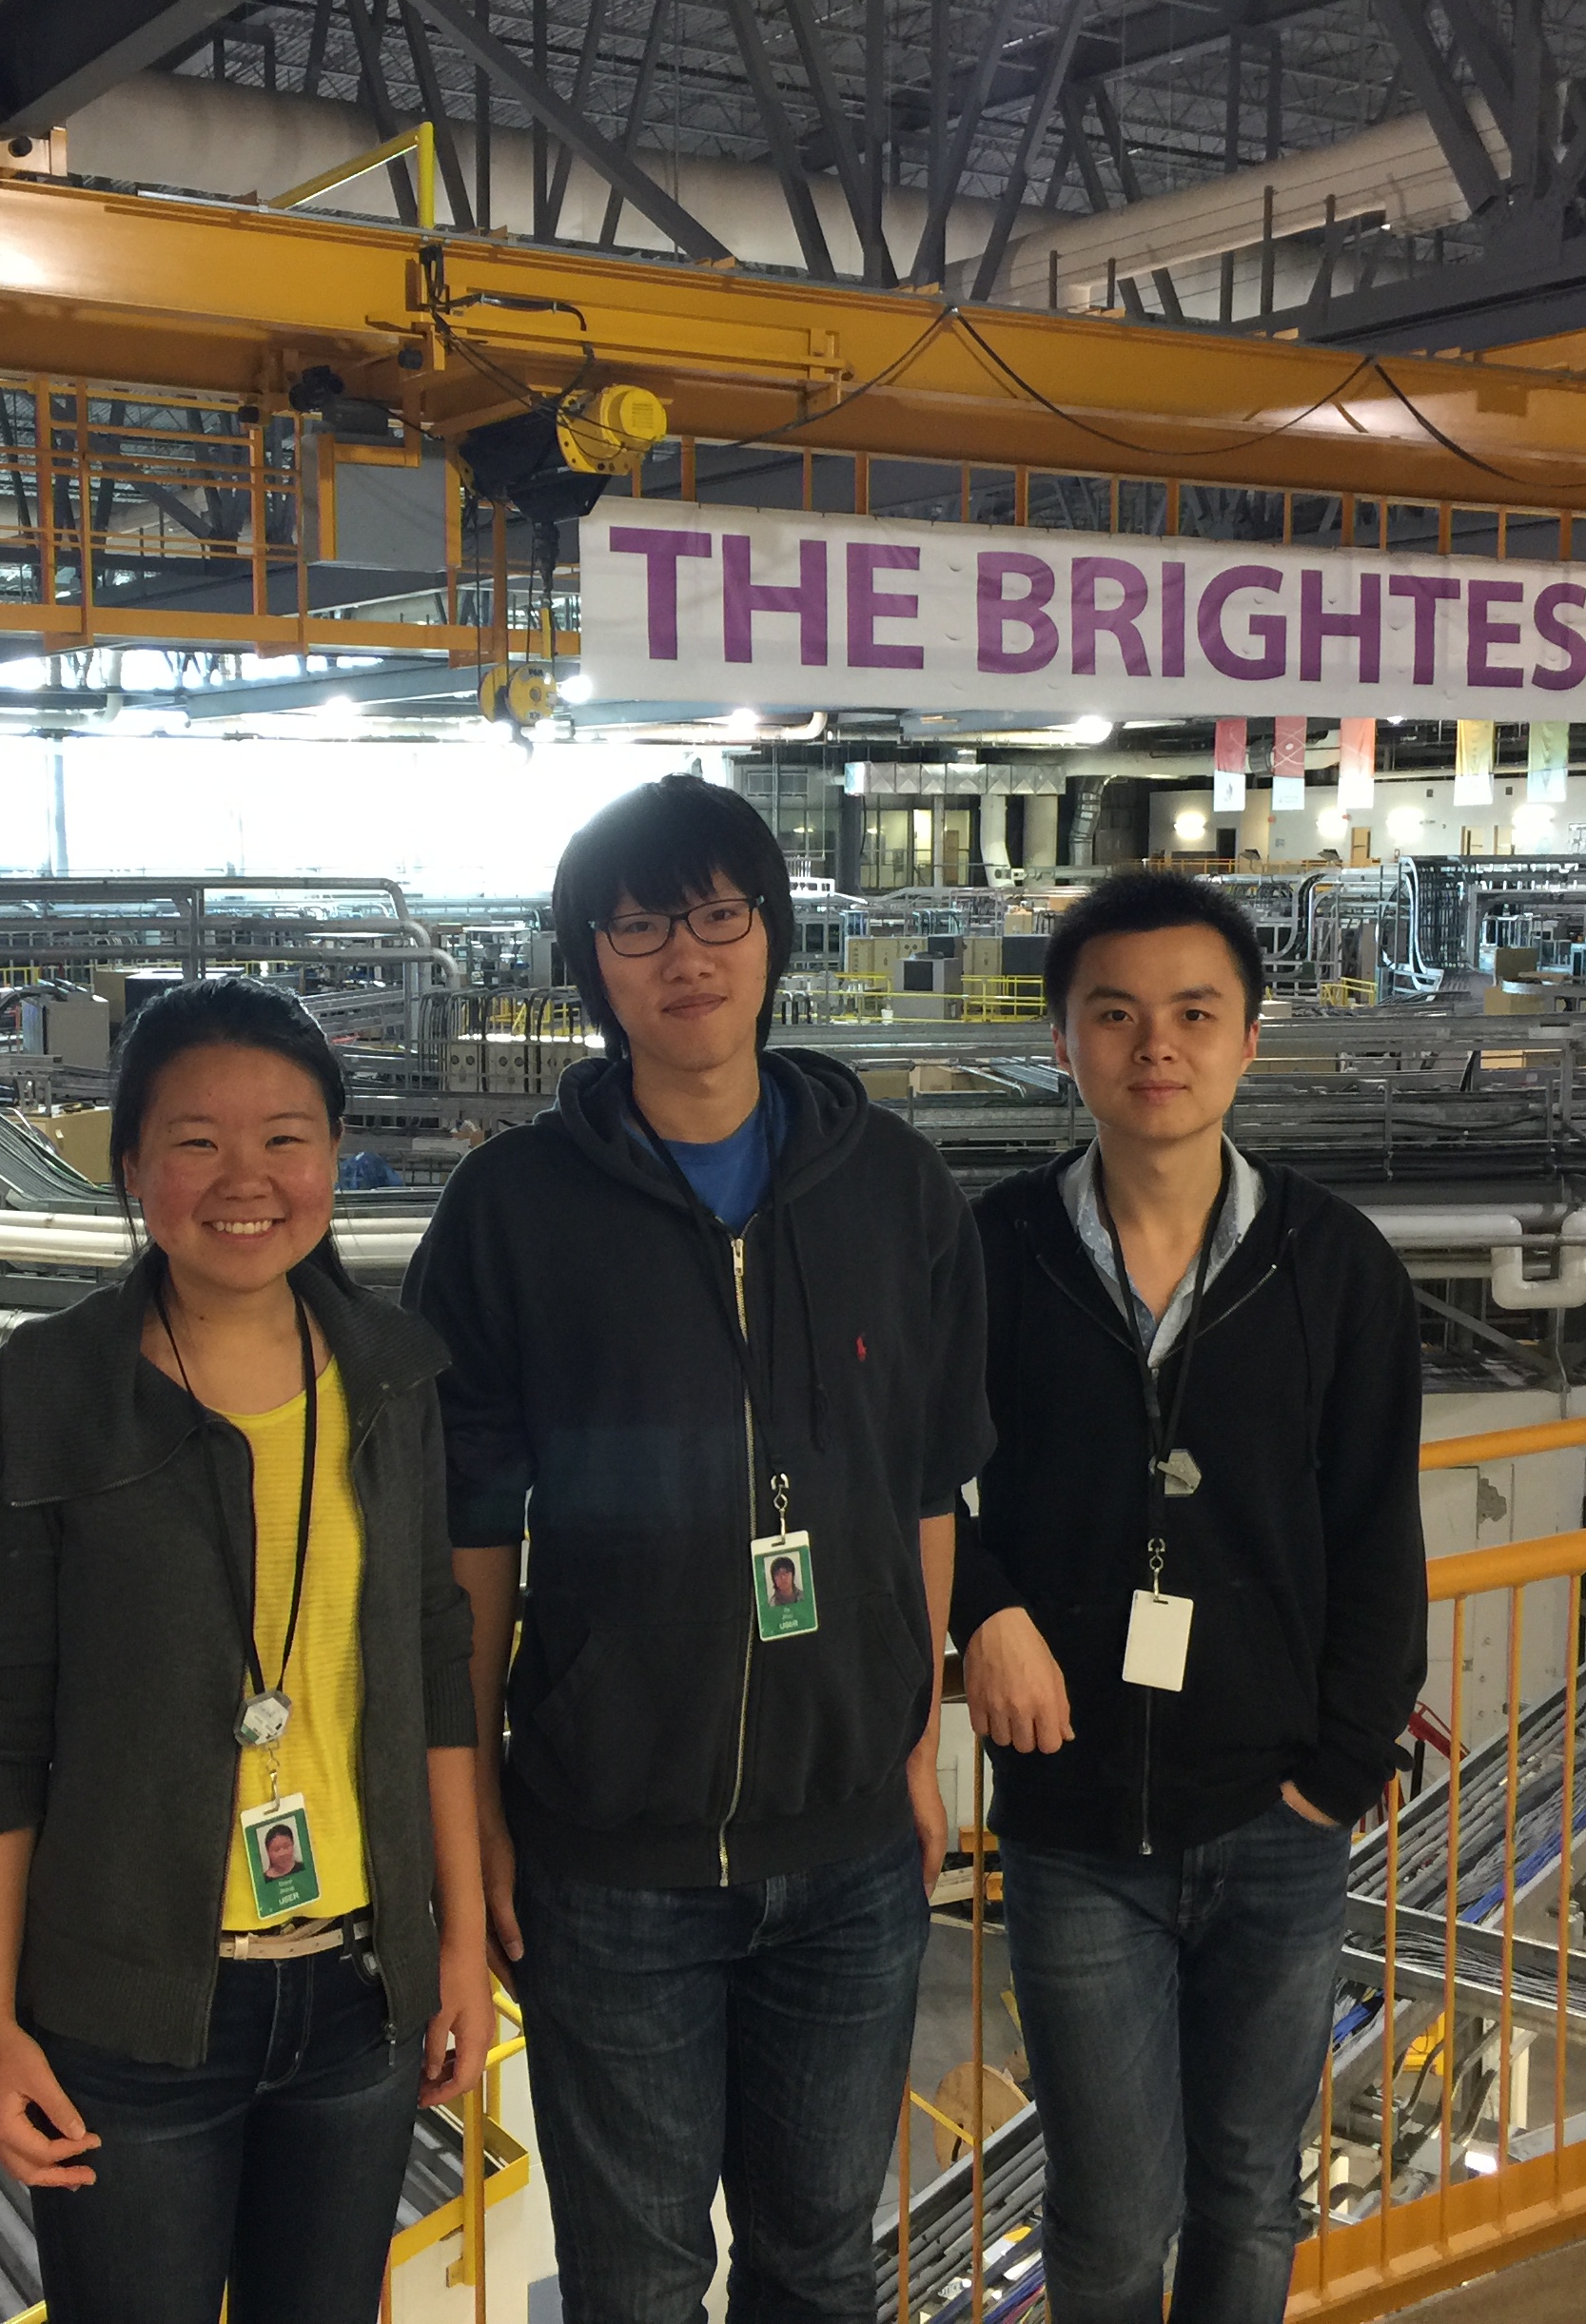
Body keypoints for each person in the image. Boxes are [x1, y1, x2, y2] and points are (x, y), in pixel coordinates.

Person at [407, 773, 992, 2320]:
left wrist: (916, 1751)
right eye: (639, 923)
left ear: (770, 933)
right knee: (640, 2274)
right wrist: (476, 1833)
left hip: (853, 1851)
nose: (686, 953)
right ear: (588, 959)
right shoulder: (511, 1211)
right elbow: (473, 1548)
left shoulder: (895, 1189)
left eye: (717, 913)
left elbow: (929, 1490)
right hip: (611, 1856)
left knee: (819, 2263)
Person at [0, 978, 495, 2324]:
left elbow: (433, 1667)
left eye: (286, 1138)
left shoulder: (394, 1378)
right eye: (195, 1140)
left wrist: (460, 1945)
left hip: (356, 1998)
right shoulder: (50, 1389)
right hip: (126, 2016)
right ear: (132, 1165)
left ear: (332, 1155)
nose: (243, 1179)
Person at [955, 870, 1427, 2324]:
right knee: (1110, 2212)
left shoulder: (1331, 1264)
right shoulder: (994, 1255)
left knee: (1247, 2189)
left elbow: (1375, 1526)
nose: (1154, 1045)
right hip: (1072, 1822)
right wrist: (981, 1607)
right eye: (1115, 1014)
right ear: (1063, 1043)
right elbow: (909, 1479)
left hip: (1273, 1819)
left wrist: (1334, 1774)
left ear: (1248, 1040)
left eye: (1192, 1013)